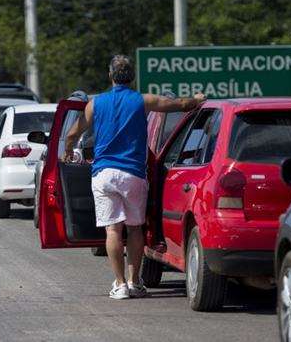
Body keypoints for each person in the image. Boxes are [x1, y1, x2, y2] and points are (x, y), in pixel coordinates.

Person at [63, 55, 205, 300]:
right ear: (133, 77)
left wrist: (67, 152)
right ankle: (134, 281)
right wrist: (198, 99)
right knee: (135, 229)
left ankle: (119, 285)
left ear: (110, 76)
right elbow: (181, 104)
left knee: (113, 230)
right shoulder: (142, 100)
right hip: (133, 174)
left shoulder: (95, 104)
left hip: (104, 174)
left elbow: (72, 134)